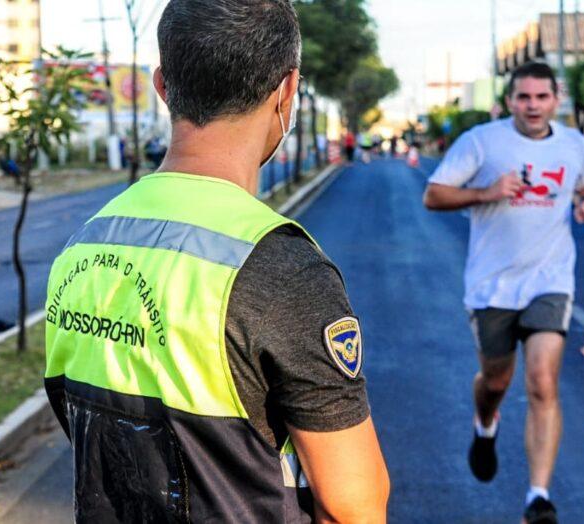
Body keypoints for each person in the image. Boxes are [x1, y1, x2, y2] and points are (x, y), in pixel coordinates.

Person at [43, 1, 389, 522]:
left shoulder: (83, 247)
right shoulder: (283, 270)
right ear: (287, 92)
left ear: (162, 85)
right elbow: (353, 506)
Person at [422, 61, 584, 524]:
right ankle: (485, 424)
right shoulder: (482, 141)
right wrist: (488, 192)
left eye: (542, 97)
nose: (534, 106)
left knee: (542, 381)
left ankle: (537, 498)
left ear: (555, 100)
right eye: (524, 97)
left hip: (550, 280)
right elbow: (434, 195)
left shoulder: (573, 143)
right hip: (491, 287)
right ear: (509, 101)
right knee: (496, 381)